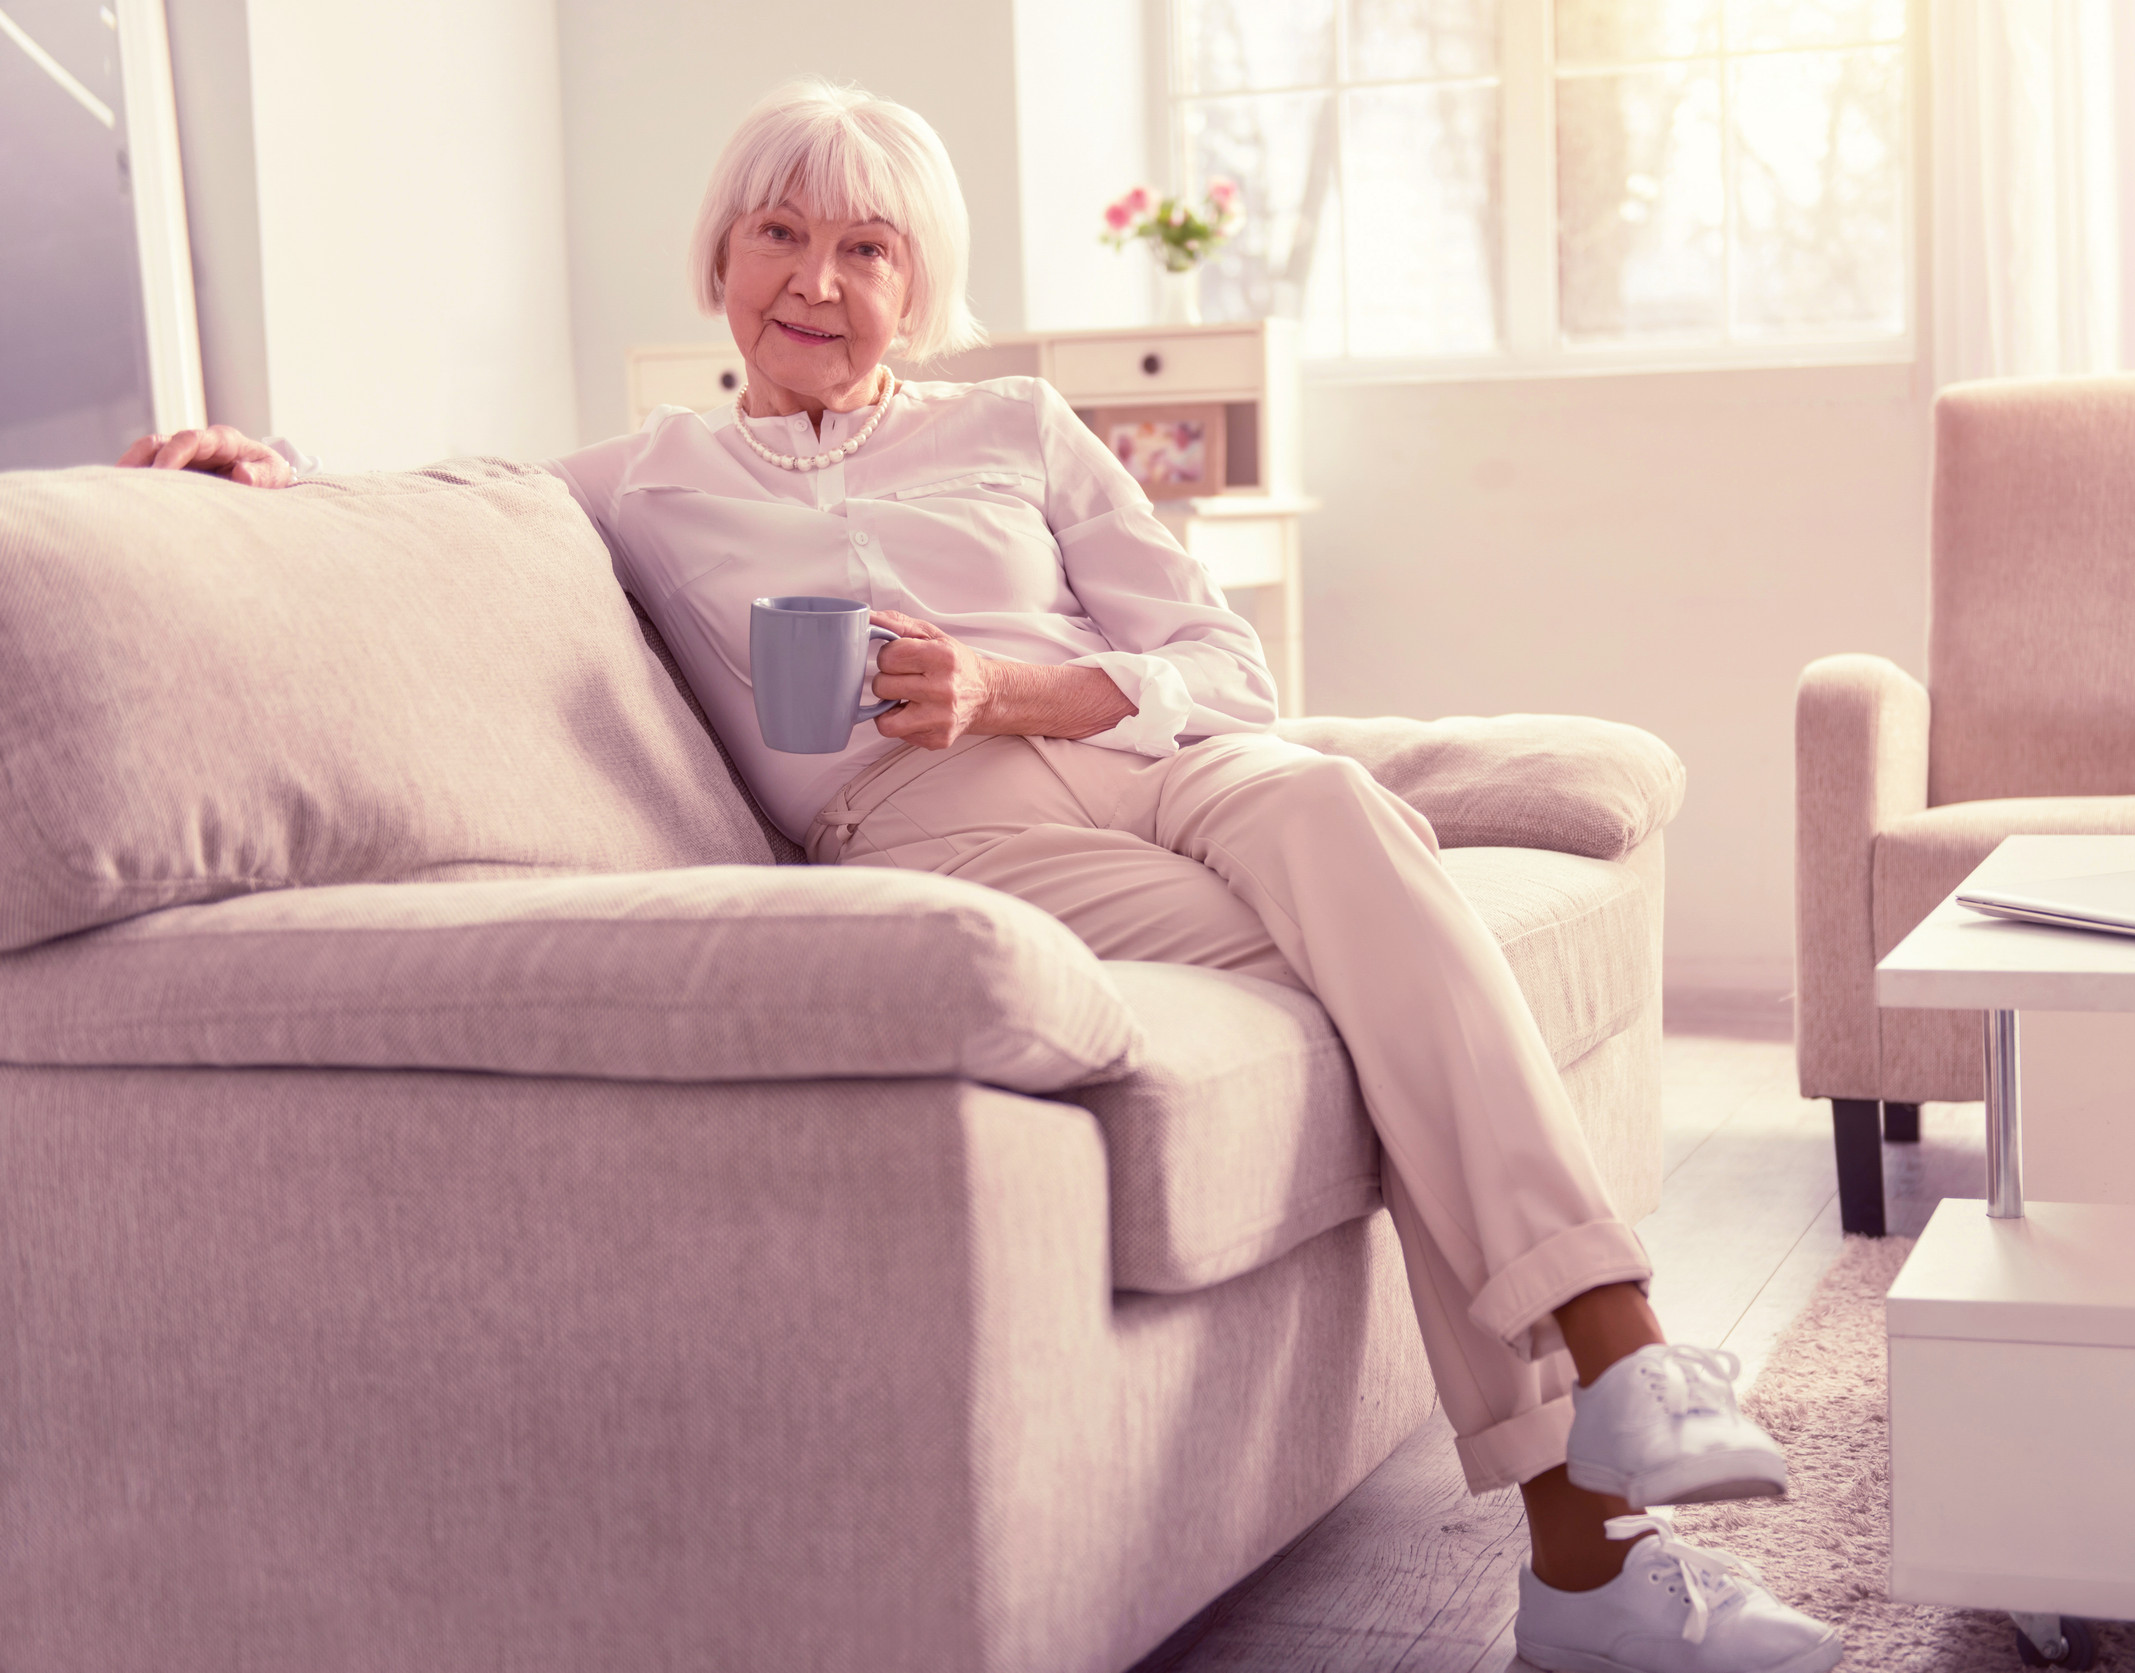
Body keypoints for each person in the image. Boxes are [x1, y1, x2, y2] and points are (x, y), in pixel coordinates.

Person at [118, 78, 1842, 1673]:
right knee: (1398, 977)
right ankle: (1595, 1536)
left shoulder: (1018, 425)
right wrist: (252, 474)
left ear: (918, 290)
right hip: (950, 835)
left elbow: (1218, 666)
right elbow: (421, 520)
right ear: (718, 262)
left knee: (1333, 815)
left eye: (867, 246)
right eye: (781, 234)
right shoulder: (630, 489)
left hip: (1169, 765)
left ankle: (1620, 1386)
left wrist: (1005, 686)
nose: (819, 276)